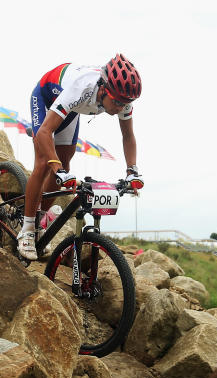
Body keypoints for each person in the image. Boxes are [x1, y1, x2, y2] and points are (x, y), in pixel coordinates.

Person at [18, 54, 144, 260]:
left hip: (71, 107)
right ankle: (27, 229)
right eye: (117, 102)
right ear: (104, 88)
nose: (121, 108)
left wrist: (132, 171)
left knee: (65, 164)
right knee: (44, 163)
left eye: (125, 103)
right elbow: (44, 133)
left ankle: (40, 220)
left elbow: (128, 135)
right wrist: (55, 167)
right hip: (46, 96)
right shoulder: (82, 87)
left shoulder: (122, 97)